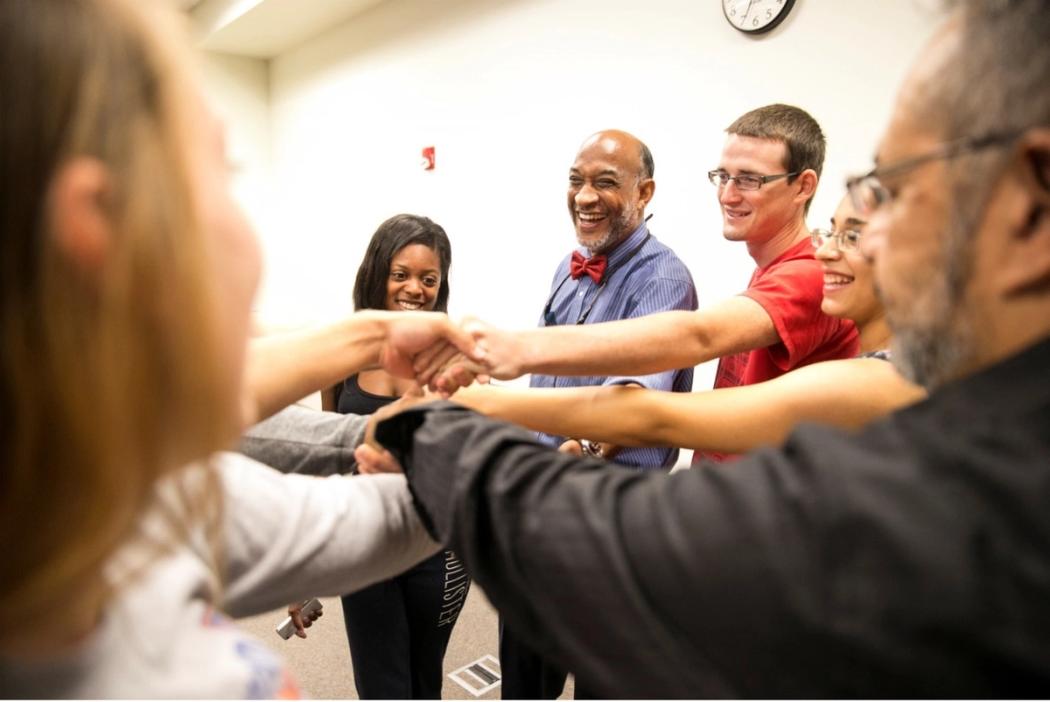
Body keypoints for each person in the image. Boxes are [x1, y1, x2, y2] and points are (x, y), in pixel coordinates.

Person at [364, 0, 1050, 695]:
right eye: (722, 176)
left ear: (1030, 197)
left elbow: (669, 384)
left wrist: (443, 417)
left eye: (892, 191)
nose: (855, 244)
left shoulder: (872, 365)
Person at [0, 1, 480, 697]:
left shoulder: (137, 493)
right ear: (97, 226)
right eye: (220, 173)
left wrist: (394, 405)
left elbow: (368, 511)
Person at [418, 105, 859, 463]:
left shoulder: (809, 272)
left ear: (803, 187)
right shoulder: (773, 269)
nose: (727, 194)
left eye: (749, 179)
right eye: (722, 176)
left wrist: (504, 362)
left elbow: (692, 342)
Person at [452, 193, 924, 454]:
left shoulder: (877, 378)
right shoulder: (894, 363)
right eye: (831, 230)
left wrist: (493, 393)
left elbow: (665, 391)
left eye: (854, 236)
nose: (824, 250)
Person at [501, 129, 698, 700]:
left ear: (645, 192)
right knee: (526, 675)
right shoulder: (568, 268)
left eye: (605, 182)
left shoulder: (663, 279)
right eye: (576, 180)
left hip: (609, 529)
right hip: (541, 512)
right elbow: (546, 373)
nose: (585, 196)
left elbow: (631, 401)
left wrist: (580, 450)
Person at [324, 214, 469, 700]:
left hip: (435, 548)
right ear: (377, 275)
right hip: (364, 543)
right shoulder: (344, 351)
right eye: (400, 274)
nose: (415, 288)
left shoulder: (452, 360)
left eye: (429, 279)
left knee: (423, 681)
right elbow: (332, 455)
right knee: (380, 686)